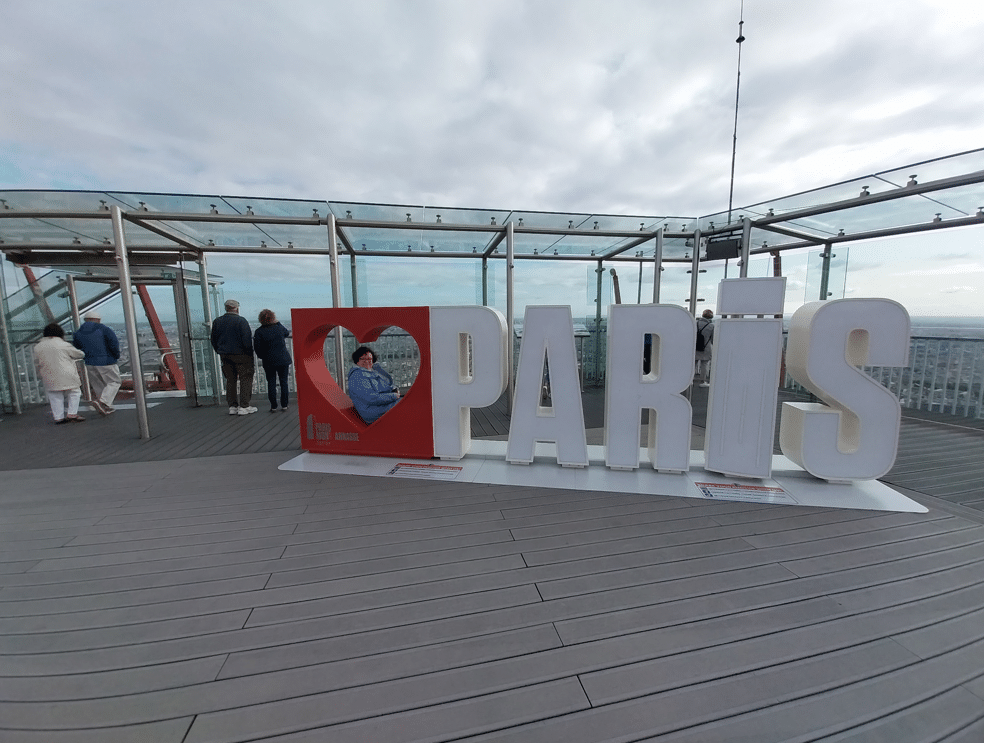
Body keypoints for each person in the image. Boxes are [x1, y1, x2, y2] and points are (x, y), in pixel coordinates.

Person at [210, 299, 257, 415]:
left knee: (230, 380)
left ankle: (232, 406)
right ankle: (244, 406)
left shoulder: (217, 321)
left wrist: (219, 351)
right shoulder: (241, 321)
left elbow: (213, 340)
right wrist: (249, 354)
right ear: (236, 308)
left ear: (226, 308)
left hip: (225, 355)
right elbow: (246, 340)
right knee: (245, 379)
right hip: (241, 355)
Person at [34, 322, 86, 424]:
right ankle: (72, 414)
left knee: (55, 395)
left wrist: (39, 374)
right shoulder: (63, 344)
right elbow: (79, 354)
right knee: (74, 392)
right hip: (66, 373)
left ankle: (58, 417)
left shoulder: (38, 346)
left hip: (48, 374)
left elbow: (37, 363)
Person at [72, 311, 121, 416]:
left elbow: (77, 347)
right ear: (98, 319)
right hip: (106, 361)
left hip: (89, 362)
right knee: (114, 382)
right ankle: (103, 402)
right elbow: (113, 344)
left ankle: (107, 407)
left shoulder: (78, 332)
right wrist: (116, 356)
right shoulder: (104, 329)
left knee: (98, 385)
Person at [346, 345, 401, 424]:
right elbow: (371, 398)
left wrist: (394, 390)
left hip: (379, 406)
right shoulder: (358, 376)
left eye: (369, 359)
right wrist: (394, 396)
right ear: (357, 361)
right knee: (406, 406)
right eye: (362, 359)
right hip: (372, 411)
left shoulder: (370, 372)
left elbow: (387, 384)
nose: (367, 361)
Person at [253, 309, 292, 412]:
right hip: (283, 359)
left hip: (268, 360)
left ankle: (273, 406)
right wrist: (277, 322)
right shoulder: (278, 328)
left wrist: (263, 356)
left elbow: (257, 348)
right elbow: (286, 333)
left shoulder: (259, 332)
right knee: (284, 382)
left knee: (271, 382)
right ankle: (284, 404)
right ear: (273, 318)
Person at [695, 309, 714, 387]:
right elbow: (713, 339)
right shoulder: (711, 326)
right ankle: (702, 381)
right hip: (706, 348)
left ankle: (689, 381)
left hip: (695, 348)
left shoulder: (695, 323)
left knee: (693, 364)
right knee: (704, 365)